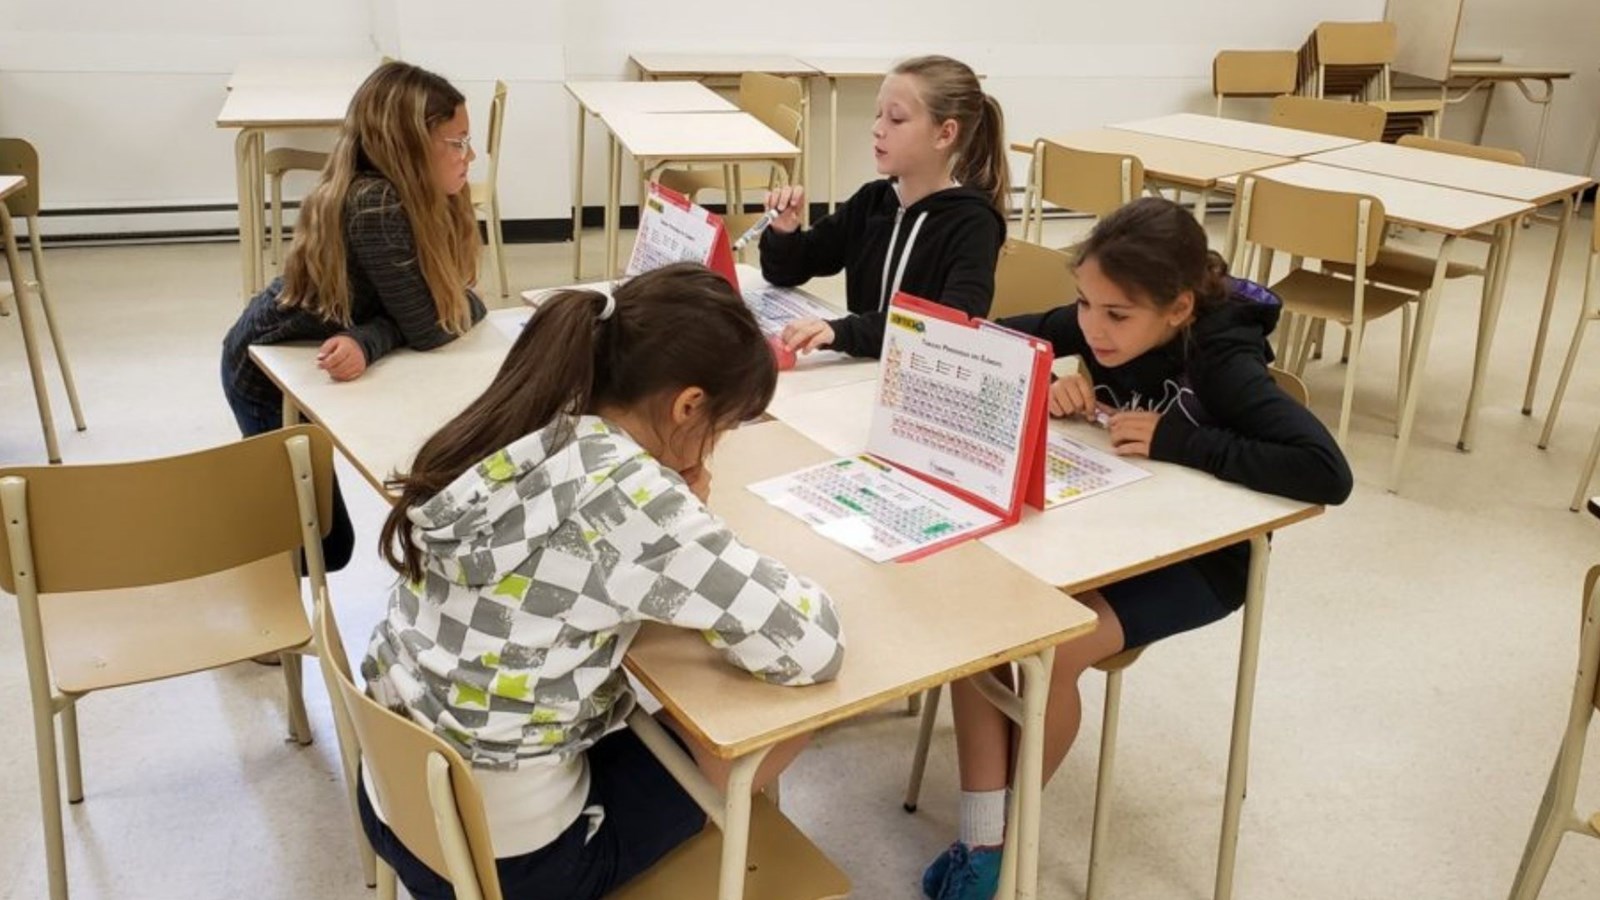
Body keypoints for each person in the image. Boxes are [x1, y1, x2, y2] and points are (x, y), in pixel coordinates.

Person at [360, 262, 846, 900]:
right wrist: (691, 515)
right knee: (783, 714)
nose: (717, 445)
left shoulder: (530, 418)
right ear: (688, 405)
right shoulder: (633, 495)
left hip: (397, 805)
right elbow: (811, 645)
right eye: (722, 428)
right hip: (514, 865)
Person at [922, 198, 1353, 900]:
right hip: (1115, 532)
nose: (1093, 328)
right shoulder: (1100, 320)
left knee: (1052, 648)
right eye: (1085, 304)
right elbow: (1002, 339)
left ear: (1179, 309)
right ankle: (983, 835)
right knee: (981, 631)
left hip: (1203, 562)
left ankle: (1008, 844)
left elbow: (1327, 471)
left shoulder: (1223, 359)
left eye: (1116, 316)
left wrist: (1179, 439)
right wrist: (1048, 377)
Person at [221, 60, 485, 572]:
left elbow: (438, 309)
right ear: (407, 146)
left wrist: (368, 338)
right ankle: (245, 584)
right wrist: (387, 331)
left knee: (321, 538)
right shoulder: (375, 204)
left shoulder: (427, 197)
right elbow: (435, 325)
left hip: (314, 355)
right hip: (266, 369)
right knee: (319, 542)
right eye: (457, 143)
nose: (469, 156)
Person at [759, 55, 1008, 359]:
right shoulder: (873, 201)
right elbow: (787, 272)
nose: (877, 128)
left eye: (896, 119)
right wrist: (784, 233)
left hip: (915, 385)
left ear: (945, 133)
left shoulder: (974, 224)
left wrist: (843, 332)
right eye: (878, 115)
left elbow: (948, 327)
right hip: (860, 371)